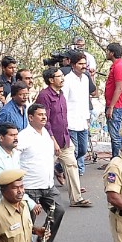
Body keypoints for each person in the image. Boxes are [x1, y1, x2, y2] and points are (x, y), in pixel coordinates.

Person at [18, 103, 64, 242]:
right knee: (27, 224)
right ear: (31, 117)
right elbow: (15, 156)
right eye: (40, 115)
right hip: (29, 187)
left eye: (45, 114)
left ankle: (44, 240)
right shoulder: (23, 136)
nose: (44, 117)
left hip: (47, 185)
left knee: (59, 210)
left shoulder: (46, 133)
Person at [35, 67, 86, 207]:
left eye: (62, 75)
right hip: (50, 141)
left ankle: (76, 199)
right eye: (59, 76)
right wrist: (53, 141)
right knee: (44, 171)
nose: (62, 78)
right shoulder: (44, 95)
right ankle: (39, 201)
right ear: (51, 80)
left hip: (64, 139)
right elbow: (45, 121)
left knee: (72, 166)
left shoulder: (61, 94)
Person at [63, 52, 93, 176]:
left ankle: (59, 167)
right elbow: (63, 101)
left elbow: (86, 99)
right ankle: (73, 177)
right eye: (80, 64)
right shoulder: (67, 80)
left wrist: (87, 118)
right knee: (73, 152)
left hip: (82, 121)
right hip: (71, 121)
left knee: (83, 150)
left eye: (84, 64)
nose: (83, 66)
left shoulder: (86, 79)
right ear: (73, 65)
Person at [104, 43, 122, 158]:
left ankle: (117, 160)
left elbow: (118, 88)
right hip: (114, 105)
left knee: (115, 135)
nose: (106, 53)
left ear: (112, 53)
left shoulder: (119, 67)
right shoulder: (116, 66)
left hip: (116, 106)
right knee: (114, 134)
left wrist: (111, 107)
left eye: (107, 51)